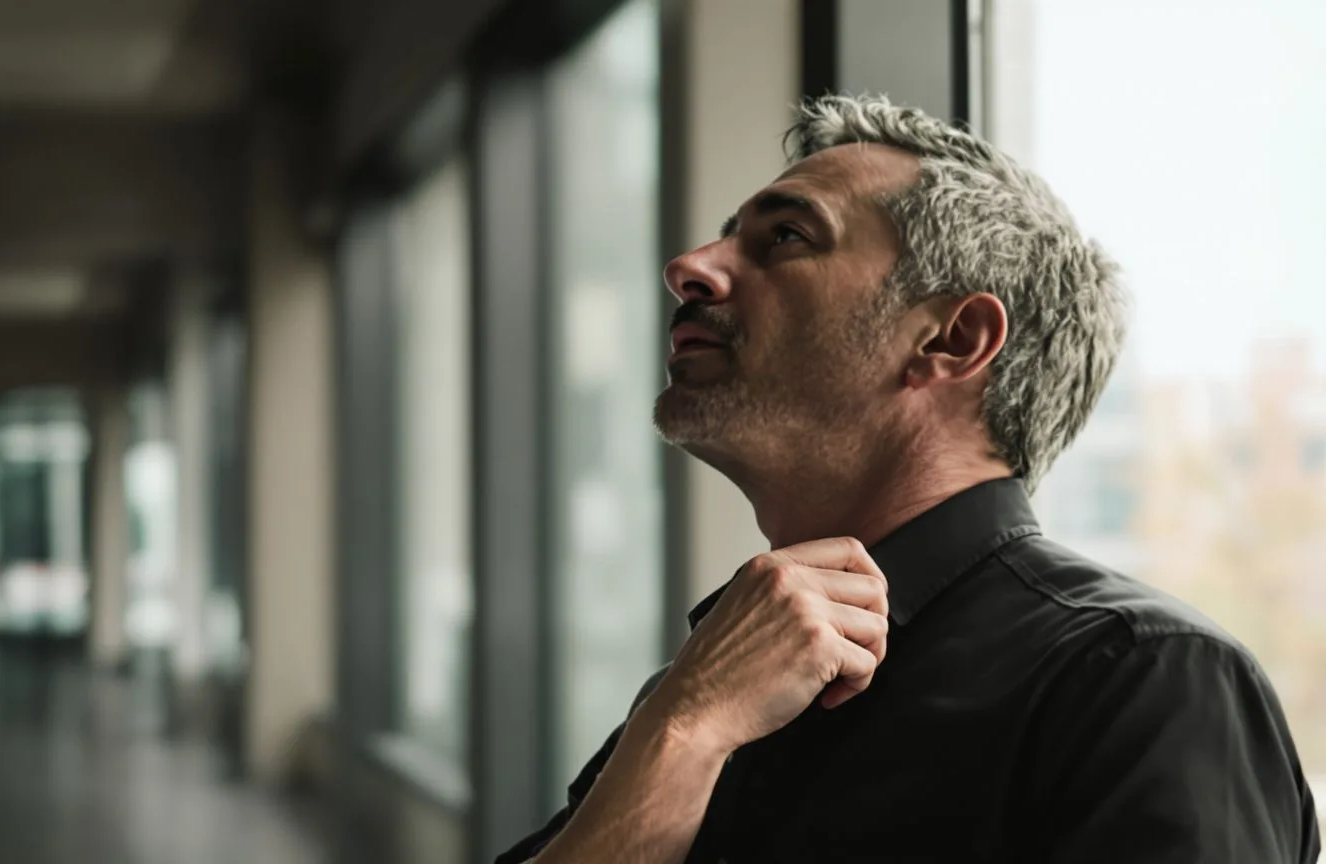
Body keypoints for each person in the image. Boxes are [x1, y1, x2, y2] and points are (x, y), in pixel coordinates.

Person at [495, 95, 1322, 863]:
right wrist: (684, 729)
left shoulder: (1141, 682)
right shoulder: (711, 683)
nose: (690, 266)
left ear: (954, 339)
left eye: (785, 237)